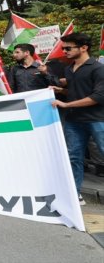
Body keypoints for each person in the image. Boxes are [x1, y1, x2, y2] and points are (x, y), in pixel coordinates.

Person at [49, 33, 104, 205]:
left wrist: (66, 104)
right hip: (74, 120)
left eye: (67, 48)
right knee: (74, 157)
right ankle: (75, 194)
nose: (63, 51)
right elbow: (76, 91)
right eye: (63, 48)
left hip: (97, 119)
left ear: (83, 48)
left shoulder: (98, 68)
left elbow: (98, 97)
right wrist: (60, 90)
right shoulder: (69, 69)